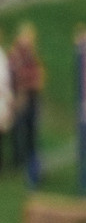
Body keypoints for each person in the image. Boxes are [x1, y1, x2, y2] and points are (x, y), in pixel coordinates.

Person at [10, 23, 43, 182]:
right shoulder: (16, 55)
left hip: (32, 95)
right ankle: (19, 161)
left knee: (31, 130)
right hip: (21, 95)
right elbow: (18, 75)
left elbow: (38, 74)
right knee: (19, 128)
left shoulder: (31, 54)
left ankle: (31, 160)